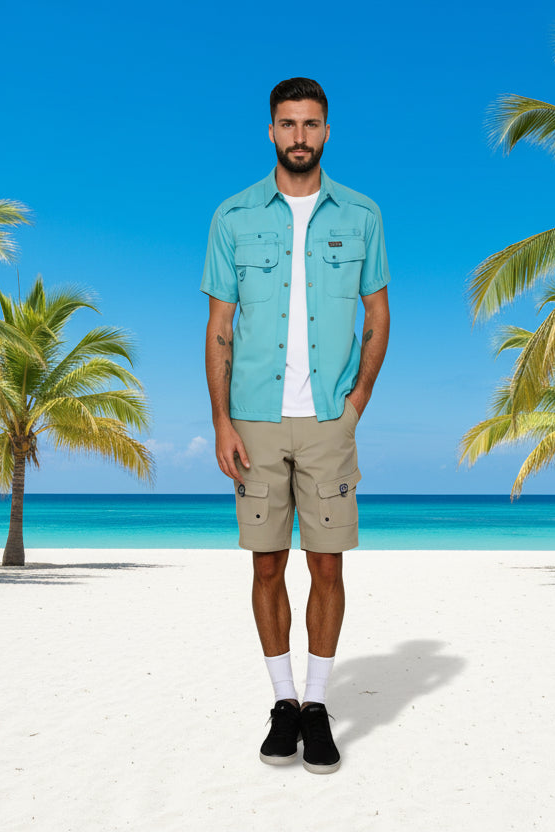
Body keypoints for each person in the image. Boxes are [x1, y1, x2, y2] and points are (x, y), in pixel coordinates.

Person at [201, 77, 391, 775]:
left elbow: (378, 316)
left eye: (311, 124)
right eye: (288, 124)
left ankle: (317, 706)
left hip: (327, 423)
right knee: (267, 563)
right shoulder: (232, 217)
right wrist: (220, 420)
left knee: (328, 563)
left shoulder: (364, 215)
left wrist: (358, 399)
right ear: (271, 131)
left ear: (328, 132)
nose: (300, 136)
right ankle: (282, 704)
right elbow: (220, 328)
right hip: (253, 417)